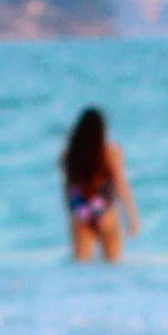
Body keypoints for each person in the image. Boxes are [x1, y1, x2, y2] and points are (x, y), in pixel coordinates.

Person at [61, 108, 131, 262]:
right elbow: (120, 183)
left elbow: (67, 188)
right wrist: (131, 217)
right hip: (103, 207)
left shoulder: (70, 154)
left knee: (81, 265)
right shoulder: (110, 152)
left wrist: (72, 213)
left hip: (81, 208)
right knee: (113, 264)